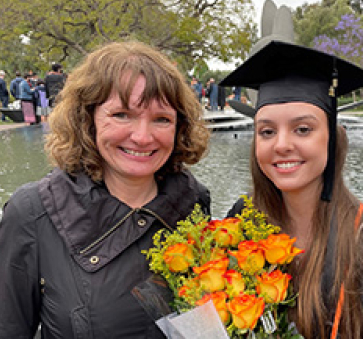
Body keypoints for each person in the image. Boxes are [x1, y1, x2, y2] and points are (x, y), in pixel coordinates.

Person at [0, 41, 211, 338]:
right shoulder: (32, 214)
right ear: (88, 120)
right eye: (122, 114)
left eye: (161, 119)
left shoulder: (194, 203)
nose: (142, 136)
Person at [221, 40, 363, 339]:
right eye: (267, 131)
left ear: (332, 137)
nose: (282, 144)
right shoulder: (243, 221)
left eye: (303, 129)